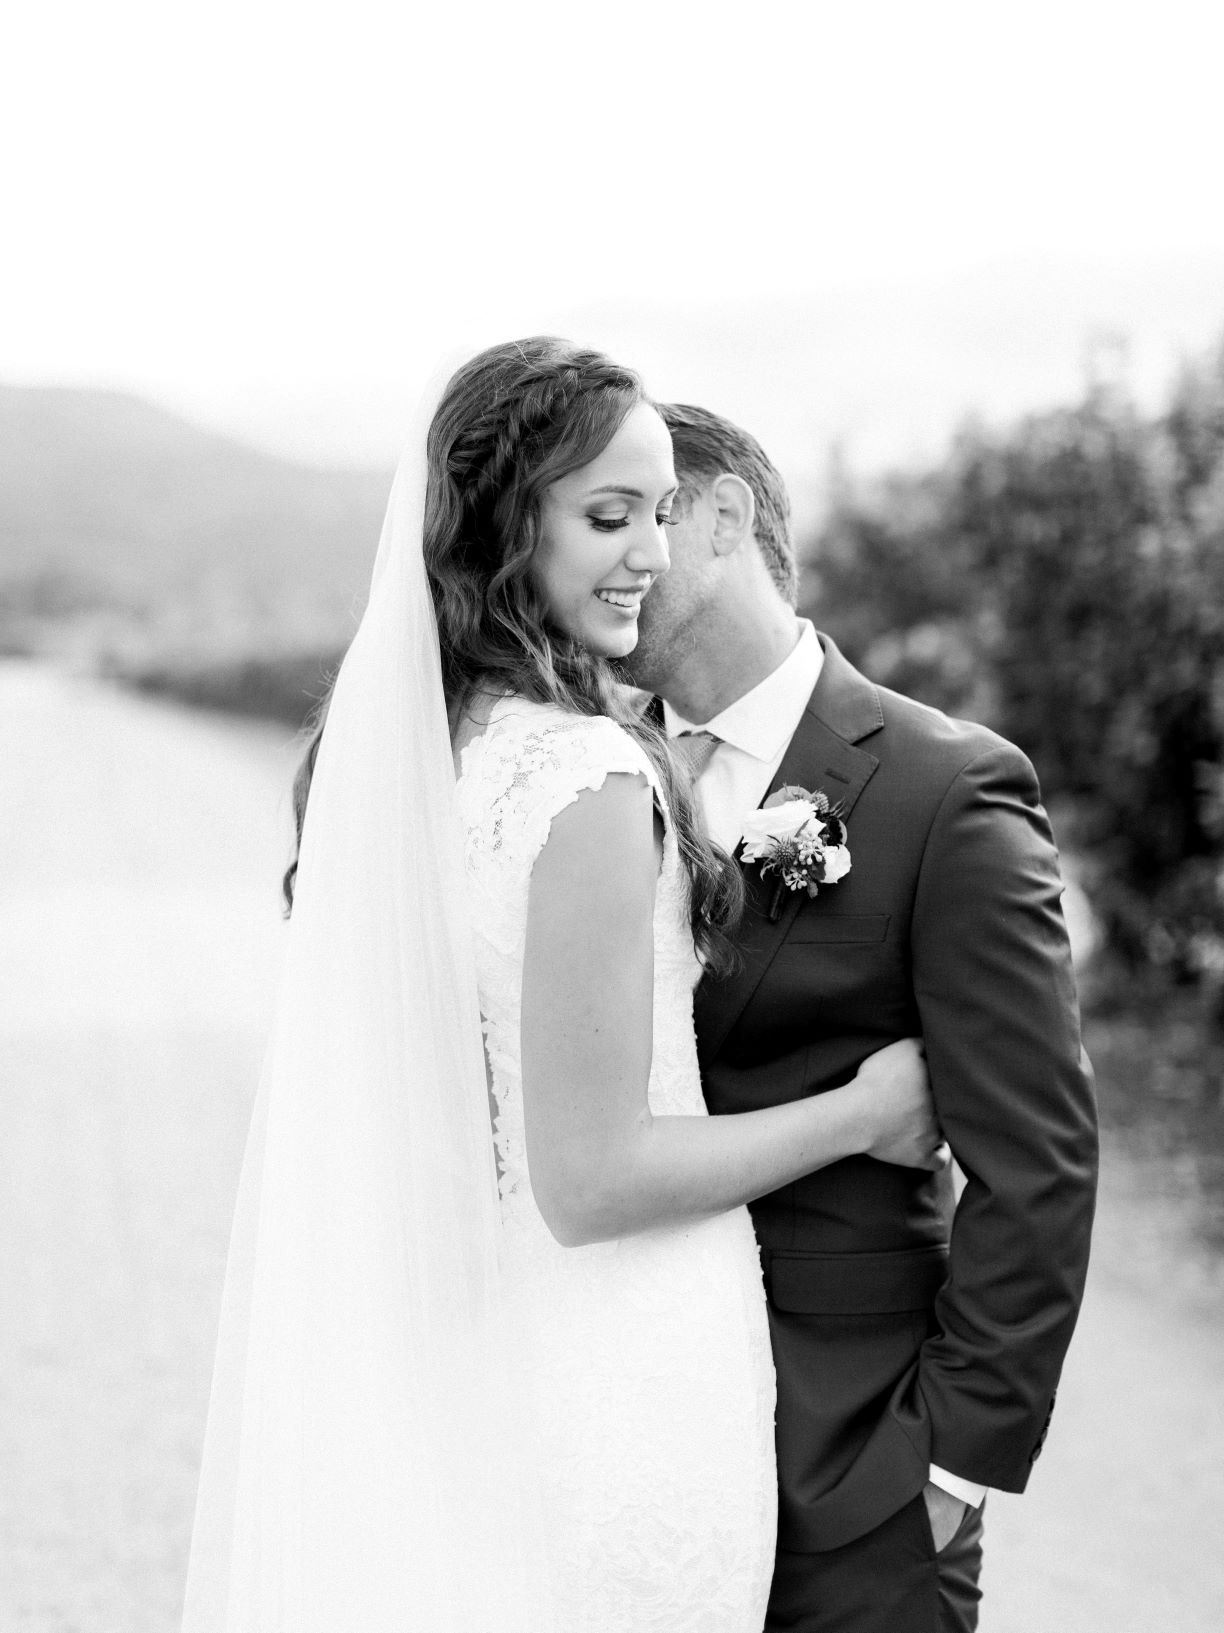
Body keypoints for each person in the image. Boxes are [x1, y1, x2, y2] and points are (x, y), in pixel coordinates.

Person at [181, 339, 947, 1633]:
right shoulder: (586, 776)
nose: (650, 550)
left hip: (488, 1352)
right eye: (607, 516)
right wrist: (866, 1113)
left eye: (659, 511)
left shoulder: (430, 760)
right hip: (626, 1368)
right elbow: (589, 1179)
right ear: (500, 524)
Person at [622, 402, 1100, 1633]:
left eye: (637, 514)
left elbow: (1035, 1158)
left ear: (723, 518)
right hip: (623, 1436)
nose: (599, 563)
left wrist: (952, 1466)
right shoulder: (595, 779)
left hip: (853, 1460)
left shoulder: (948, 789)